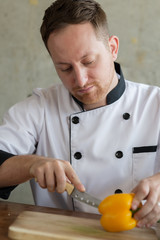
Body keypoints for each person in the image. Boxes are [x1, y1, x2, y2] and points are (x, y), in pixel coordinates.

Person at [0, 0, 160, 229]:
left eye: (88, 62)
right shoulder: (38, 108)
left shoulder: (155, 104)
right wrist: (31, 165)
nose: (80, 80)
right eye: (65, 68)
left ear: (113, 48)